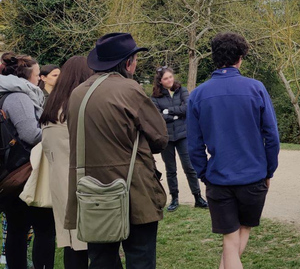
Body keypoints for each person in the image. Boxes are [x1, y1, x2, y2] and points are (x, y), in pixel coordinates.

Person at [64, 33, 168, 269]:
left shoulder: (77, 93)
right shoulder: (130, 89)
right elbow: (160, 139)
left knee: (101, 259)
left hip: (91, 191)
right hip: (134, 189)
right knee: (140, 256)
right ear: (129, 62)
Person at [188, 32, 280, 269]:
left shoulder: (197, 95)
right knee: (242, 231)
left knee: (230, 239)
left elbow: (194, 145)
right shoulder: (256, 88)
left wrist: (204, 174)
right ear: (240, 57)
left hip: (219, 177)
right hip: (253, 175)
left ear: (214, 58)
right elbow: (271, 136)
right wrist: (269, 170)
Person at [0, 53, 56, 269]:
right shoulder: (19, 96)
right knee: (44, 229)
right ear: (28, 76)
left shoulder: (6, 93)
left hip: (9, 172)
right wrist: (54, 130)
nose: (39, 78)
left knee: (17, 228)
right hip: (23, 173)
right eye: (37, 73)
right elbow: (31, 134)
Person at [39, 56, 93, 269]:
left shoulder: (52, 106)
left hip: (59, 181)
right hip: (82, 181)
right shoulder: (76, 106)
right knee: (91, 242)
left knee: (71, 243)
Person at [150, 67, 207, 212]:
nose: (169, 80)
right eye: (166, 78)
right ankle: (174, 198)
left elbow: (187, 108)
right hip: (167, 138)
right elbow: (157, 116)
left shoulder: (182, 90)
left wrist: (169, 111)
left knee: (189, 167)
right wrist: (176, 114)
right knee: (171, 170)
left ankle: (198, 197)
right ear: (160, 81)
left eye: (170, 77)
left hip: (183, 135)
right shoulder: (155, 97)